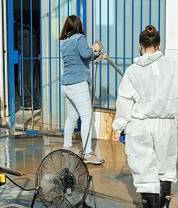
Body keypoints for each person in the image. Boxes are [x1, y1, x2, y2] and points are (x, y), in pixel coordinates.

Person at [112, 25, 178, 208]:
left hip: (141, 125)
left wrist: (121, 125)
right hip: (167, 125)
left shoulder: (133, 70)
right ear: (159, 44)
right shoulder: (174, 65)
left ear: (140, 45)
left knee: (144, 172)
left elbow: (125, 101)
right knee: (165, 168)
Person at [60, 15, 105, 165]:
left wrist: (93, 52)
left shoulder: (64, 42)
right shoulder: (79, 38)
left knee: (71, 117)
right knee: (86, 117)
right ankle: (88, 154)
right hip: (78, 84)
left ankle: (67, 146)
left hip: (66, 85)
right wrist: (96, 51)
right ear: (78, 26)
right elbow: (86, 54)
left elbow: (78, 57)